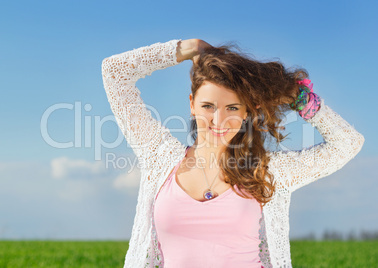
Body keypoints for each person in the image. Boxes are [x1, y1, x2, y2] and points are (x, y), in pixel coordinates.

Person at [101, 39, 365, 268]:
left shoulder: (267, 170)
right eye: (208, 106)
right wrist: (188, 48)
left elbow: (348, 143)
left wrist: (300, 98)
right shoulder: (160, 156)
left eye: (232, 108)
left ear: (247, 112)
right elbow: (114, 72)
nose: (218, 120)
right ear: (191, 104)